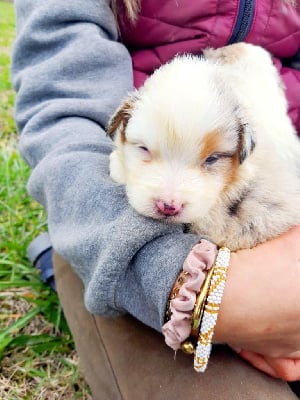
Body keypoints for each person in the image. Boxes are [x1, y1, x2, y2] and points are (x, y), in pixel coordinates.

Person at [11, 0, 300, 398]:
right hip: (118, 230)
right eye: (145, 150)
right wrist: (196, 289)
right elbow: (62, 115)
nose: (169, 198)